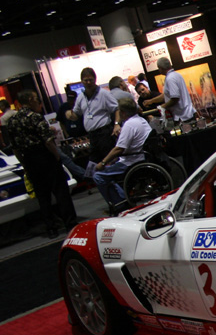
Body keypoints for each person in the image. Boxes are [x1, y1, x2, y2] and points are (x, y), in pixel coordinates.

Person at [7, 90, 77, 236]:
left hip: (29, 160)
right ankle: (70, 223)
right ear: (30, 99)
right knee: (60, 191)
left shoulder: (12, 121)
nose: (38, 101)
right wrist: (56, 156)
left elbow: (15, 148)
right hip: (45, 157)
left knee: (42, 196)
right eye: (36, 99)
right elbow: (48, 141)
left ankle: (51, 228)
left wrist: (25, 164)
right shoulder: (35, 117)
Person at [93, 97, 152, 215]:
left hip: (131, 161)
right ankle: (122, 196)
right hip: (141, 157)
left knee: (98, 176)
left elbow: (119, 148)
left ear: (123, 112)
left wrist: (103, 163)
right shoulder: (141, 120)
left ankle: (120, 205)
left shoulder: (129, 125)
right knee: (111, 166)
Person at [65, 67, 118, 164]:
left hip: (104, 133)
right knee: (93, 163)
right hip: (92, 136)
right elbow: (76, 114)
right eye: (86, 80)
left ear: (95, 79)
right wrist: (69, 114)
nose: (88, 82)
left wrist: (117, 124)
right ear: (82, 81)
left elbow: (117, 109)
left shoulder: (103, 93)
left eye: (90, 80)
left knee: (109, 161)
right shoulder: (81, 97)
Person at [142, 57, 196, 125]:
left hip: (183, 116)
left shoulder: (170, 79)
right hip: (187, 114)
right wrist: (151, 101)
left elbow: (175, 98)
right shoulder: (176, 75)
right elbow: (166, 95)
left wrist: (162, 107)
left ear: (161, 68)